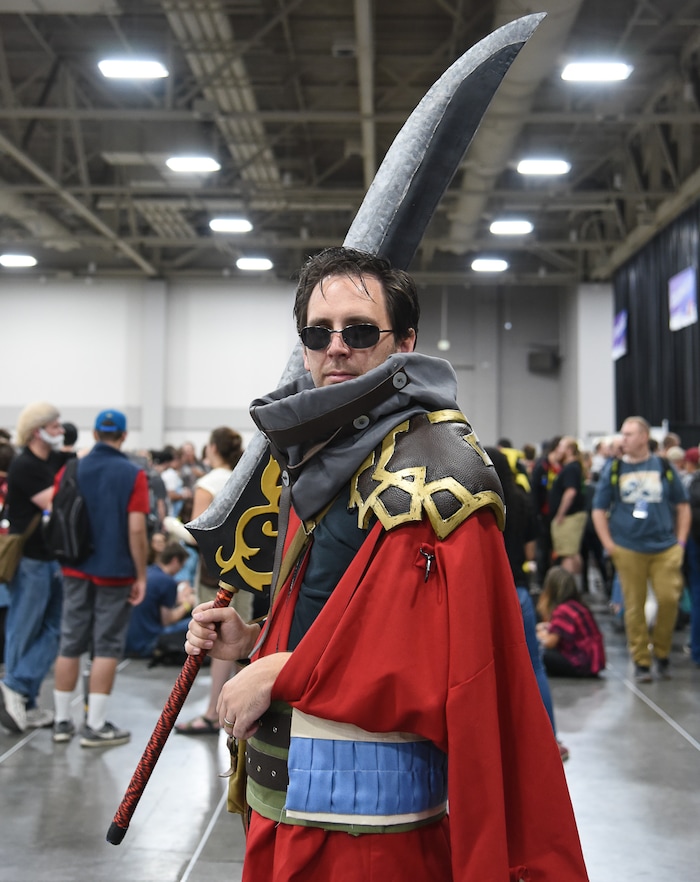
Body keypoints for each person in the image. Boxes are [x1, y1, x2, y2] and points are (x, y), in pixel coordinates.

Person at [184, 247, 588, 880]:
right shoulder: (319, 456)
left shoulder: (437, 472)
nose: (336, 347)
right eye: (318, 333)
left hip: (371, 832)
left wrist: (282, 675)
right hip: (282, 806)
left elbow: (451, 663)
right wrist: (254, 642)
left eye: (360, 331)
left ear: (404, 343)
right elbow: (343, 616)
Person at [51, 409, 150, 747]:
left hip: (74, 566)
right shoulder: (133, 474)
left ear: (94, 435)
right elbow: (136, 528)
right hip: (115, 571)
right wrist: (140, 574)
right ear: (122, 437)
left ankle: (62, 722)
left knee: (70, 641)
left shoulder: (71, 468)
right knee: (106, 645)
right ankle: (94, 725)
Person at [484, 446, 568, 761]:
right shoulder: (521, 500)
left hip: (488, 594)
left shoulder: (477, 503)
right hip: (519, 592)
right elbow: (533, 554)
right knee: (535, 667)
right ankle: (551, 739)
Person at [591, 416, 690, 682]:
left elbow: (682, 505)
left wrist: (680, 542)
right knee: (634, 607)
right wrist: (609, 545)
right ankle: (642, 661)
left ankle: (662, 652)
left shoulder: (663, 466)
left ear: (644, 437)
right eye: (623, 434)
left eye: (629, 434)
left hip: (665, 547)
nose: (623, 439)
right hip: (627, 547)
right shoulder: (614, 469)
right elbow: (598, 509)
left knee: (669, 600)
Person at [176, 427, 249, 735]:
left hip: (215, 573)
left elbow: (198, 536)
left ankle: (212, 712)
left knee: (218, 639)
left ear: (213, 449)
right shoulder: (243, 478)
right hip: (245, 569)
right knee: (242, 631)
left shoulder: (207, 484)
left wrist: (171, 526)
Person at [0, 402, 66, 733]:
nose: (59, 431)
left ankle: (20, 690)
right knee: (23, 631)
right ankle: (17, 694)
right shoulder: (25, 465)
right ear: (37, 430)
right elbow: (55, 500)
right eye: (54, 426)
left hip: (50, 557)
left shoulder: (51, 461)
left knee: (53, 628)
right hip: (29, 561)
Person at [124, 542, 195, 658]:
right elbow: (167, 620)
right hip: (148, 642)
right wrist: (187, 604)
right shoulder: (167, 582)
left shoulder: (148, 571)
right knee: (197, 621)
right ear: (175, 561)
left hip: (129, 640)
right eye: (182, 566)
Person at [536, 566, 606, 677]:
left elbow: (550, 642)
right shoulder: (577, 606)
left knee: (537, 652)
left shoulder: (563, 611)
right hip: (593, 660)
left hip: (581, 662)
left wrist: (537, 636)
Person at [549, 435, 587, 576]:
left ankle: (567, 590)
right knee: (573, 553)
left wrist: (560, 514)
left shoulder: (571, 468)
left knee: (568, 554)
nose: (558, 450)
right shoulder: (574, 467)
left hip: (569, 517)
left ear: (569, 450)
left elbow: (570, 492)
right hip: (572, 516)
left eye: (561, 447)